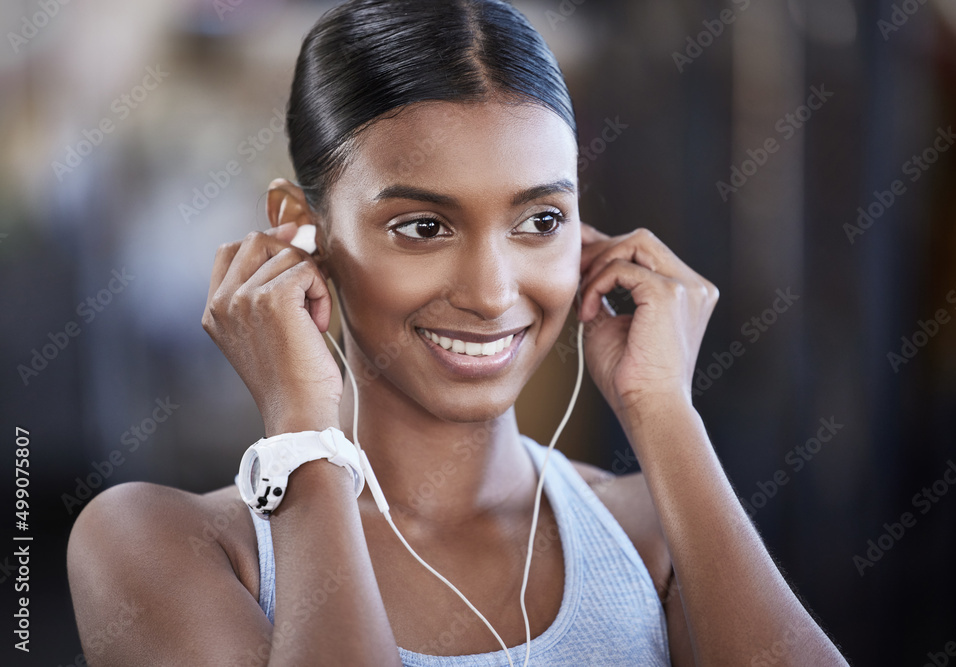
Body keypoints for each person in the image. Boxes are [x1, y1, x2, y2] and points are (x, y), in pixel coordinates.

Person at [66, 1, 850, 665]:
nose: (491, 291)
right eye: (423, 225)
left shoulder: (654, 525)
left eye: (540, 220)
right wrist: (304, 430)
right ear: (300, 233)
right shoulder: (161, 544)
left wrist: (665, 411)